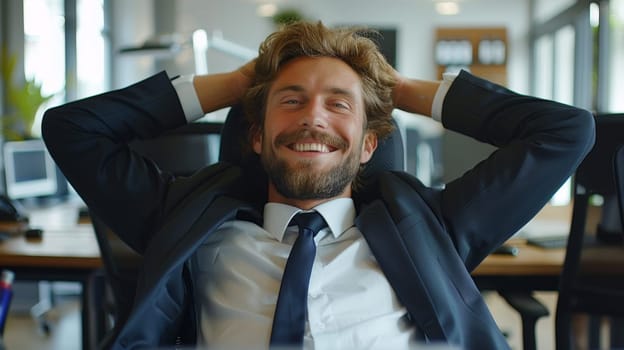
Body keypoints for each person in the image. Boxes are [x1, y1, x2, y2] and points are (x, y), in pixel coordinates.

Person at [42, 21, 595, 350]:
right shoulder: (188, 218)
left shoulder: (432, 225)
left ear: (369, 145)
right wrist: (241, 82)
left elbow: (565, 132)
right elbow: (72, 129)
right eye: (291, 100)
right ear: (255, 136)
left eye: (338, 104)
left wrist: (395, 86)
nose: (314, 118)